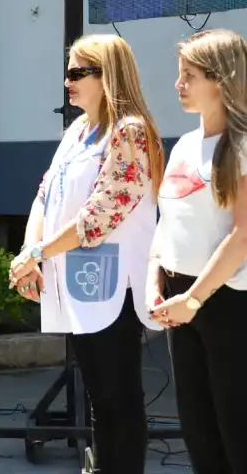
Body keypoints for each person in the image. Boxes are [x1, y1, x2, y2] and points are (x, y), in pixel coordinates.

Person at [9, 35, 164, 474]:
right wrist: (28, 252)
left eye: (78, 72)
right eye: (69, 71)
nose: (67, 81)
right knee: (99, 399)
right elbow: (46, 194)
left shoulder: (129, 131)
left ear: (107, 75)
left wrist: (38, 251)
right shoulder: (78, 130)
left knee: (119, 401)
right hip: (78, 282)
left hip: (115, 286)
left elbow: (99, 216)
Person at [147, 29, 247, 474]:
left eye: (189, 75)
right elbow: (168, 221)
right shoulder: (186, 144)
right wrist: (157, 278)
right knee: (198, 430)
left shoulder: (241, 146)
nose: (178, 84)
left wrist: (194, 298)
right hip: (181, 298)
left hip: (225, 300)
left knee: (235, 428)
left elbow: (242, 235)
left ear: (221, 79)